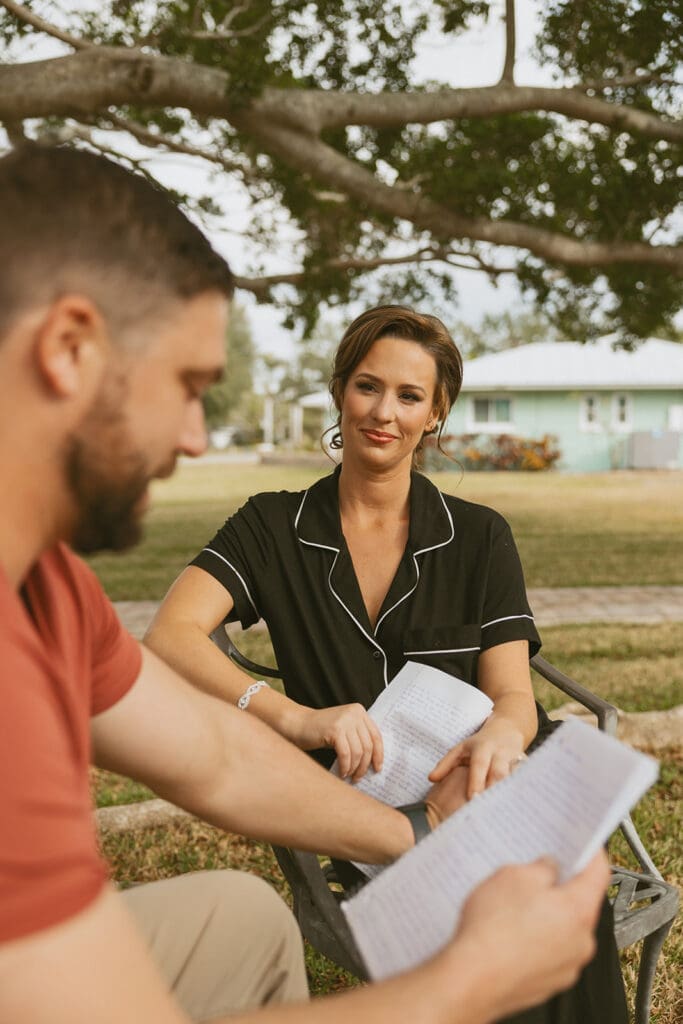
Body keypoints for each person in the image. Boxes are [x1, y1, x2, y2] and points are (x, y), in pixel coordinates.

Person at [0, 142, 611, 1024]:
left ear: (434, 414)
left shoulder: (52, 591)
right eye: (186, 385)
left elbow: (210, 755)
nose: (199, 436)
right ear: (68, 348)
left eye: (410, 396)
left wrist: (420, 835)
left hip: (434, 792)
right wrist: (465, 982)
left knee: (243, 920)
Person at [147, 305, 629, 1023]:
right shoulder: (272, 524)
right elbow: (170, 635)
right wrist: (295, 716)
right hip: (356, 815)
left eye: (409, 397)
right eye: (368, 386)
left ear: (435, 415)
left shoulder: (478, 537)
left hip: (479, 790)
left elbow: (510, 695)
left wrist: (502, 733)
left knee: (546, 867)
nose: (384, 412)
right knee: (526, 893)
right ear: (341, 389)